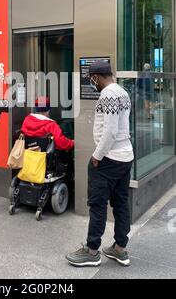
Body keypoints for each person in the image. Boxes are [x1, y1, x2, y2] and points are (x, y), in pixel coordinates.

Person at [66, 61, 134, 267]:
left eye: (91, 78)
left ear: (97, 76)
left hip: (109, 159)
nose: (91, 82)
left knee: (97, 204)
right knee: (121, 203)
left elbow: (111, 131)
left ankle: (92, 251)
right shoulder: (122, 92)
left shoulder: (108, 94)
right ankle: (120, 249)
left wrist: (97, 156)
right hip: (125, 156)